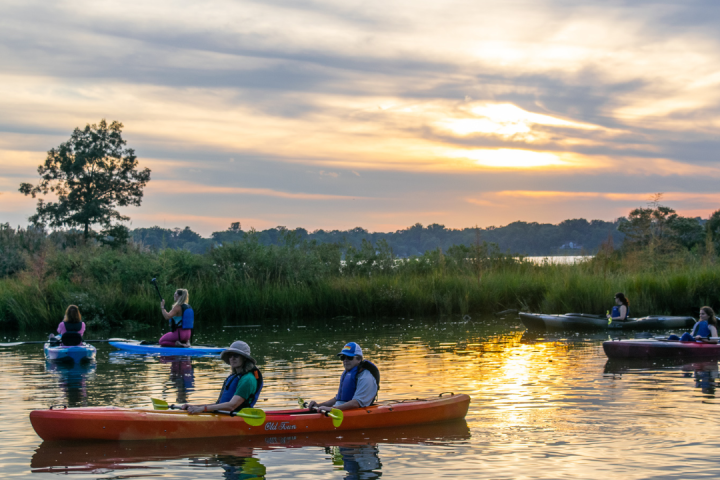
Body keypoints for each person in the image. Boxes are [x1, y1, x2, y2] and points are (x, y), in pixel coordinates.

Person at [182, 341, 263, 414]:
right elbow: (220, 404)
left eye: (236, 355)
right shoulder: (236, 376)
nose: (232, 358)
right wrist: (195, 407)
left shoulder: (248, 379)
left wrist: (203, 409)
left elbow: (232, 406)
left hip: (237, 419)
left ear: (244, 358)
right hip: (225, 415)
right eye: (230, 355)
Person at [307, 342, 380, 413]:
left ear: (358, 359)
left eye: (349, 357)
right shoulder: (347, 374)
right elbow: (338, 399)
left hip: (357, 413)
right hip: (340, 410)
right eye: (343, 357)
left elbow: (356, 403)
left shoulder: (366, 378)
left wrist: (331, 409)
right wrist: (318, 405)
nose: (345, 360)